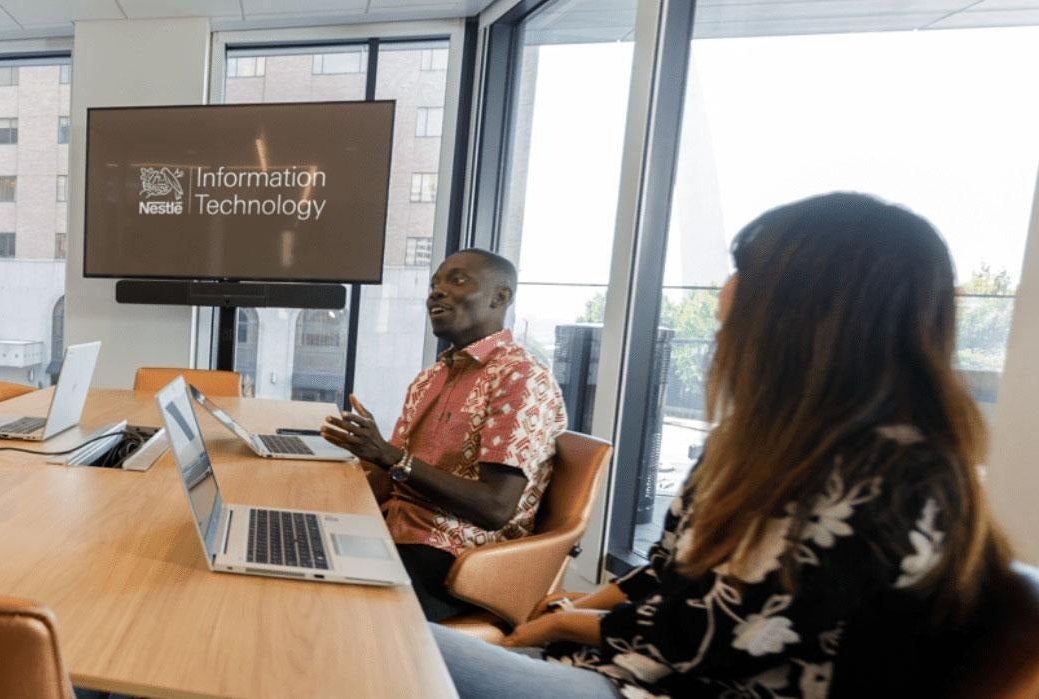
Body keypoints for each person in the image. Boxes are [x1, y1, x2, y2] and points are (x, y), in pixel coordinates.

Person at [430, 193, 1011, 699]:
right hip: (617, 669)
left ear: (807, 310)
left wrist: (560, 623)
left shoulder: (889, 476)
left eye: (746, 272)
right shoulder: (758, 444)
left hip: (653, 687)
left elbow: (704, 639)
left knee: (371, 638)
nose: (722, 296)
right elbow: (663, 574)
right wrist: (569, 615)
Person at [319, 249, 566, 622]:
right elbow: (393, 480)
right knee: (290, 561)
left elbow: (494, 509)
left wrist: (391, 457)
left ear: (500, 297)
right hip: (396, 529)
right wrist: (363, 460)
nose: (436, 292)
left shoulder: (520, 377)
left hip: (458, 559)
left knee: (322, 608)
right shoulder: (429, 379)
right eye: (434, 283)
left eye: (457, 280)